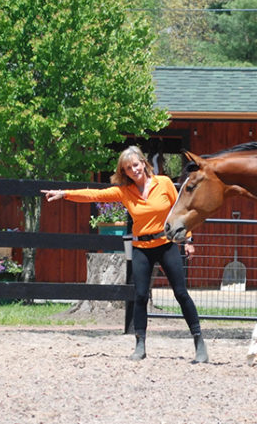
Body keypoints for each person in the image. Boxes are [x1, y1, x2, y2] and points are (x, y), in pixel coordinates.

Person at [41, 146, 208, 363]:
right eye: (128, 168)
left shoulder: (164, 183)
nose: (133, 170)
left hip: (166, 244)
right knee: (139, 296)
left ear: (143, 163)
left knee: (181, 293)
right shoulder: (124, 191)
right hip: (141, 248)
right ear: (124, 172)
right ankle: (140, 344)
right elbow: (94, 195)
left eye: (136, 165)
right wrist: (64, 194)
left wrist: (188, 239)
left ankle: (198, 341)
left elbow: (180, 209)